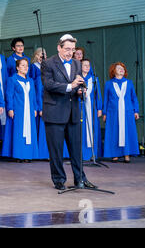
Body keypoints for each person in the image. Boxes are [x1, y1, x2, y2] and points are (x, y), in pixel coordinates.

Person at [40, 34, 96, 190]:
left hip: (73, 113)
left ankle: (80, 179)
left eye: (72, 49)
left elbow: (77, 86)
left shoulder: (77, 64)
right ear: (59, 47)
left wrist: (79, 90)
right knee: (56, 151)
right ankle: (59, 180)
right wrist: (71, 86)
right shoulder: (48, 63)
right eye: (67, 49)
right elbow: (48, 85)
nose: (70, 52)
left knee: (76, 150)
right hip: (55, 113)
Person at [2, 58, 38, 162]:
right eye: (22, 65)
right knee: (18, 132)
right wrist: (10, 108)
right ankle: (18, 155)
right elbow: (9, 95)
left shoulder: (30, 80)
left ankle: (27, 155)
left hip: (29, 110)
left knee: (29, 132)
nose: (25, 67)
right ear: (17, 67)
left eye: (27, 65)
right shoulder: (12, 79)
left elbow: (33, 96)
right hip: (18, 110)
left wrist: (35, 108)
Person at [103, 62, 139, 163]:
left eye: (123, 68)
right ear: (113, 71)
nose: (121, 69)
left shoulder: (129, 83)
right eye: (119, 68)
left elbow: (134, 98)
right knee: (114, 132)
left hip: (127, 112)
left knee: (127, 132)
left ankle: (127, 154)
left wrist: (136, 110)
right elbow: (106, 99)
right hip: (113, 113)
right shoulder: (109, 84)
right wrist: (105, 113)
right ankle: (114, 154)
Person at [80, 59, 103, 161]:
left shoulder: (94, 79)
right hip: (81, 108)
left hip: (92, 108)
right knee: (82, 130)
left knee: (93, 129)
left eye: (88, 65)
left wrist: (99, 108)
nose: (87, 67)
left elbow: (98, 94)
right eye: (84, 65)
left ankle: (93, 154)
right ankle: (82, 154)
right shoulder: (77, 78)